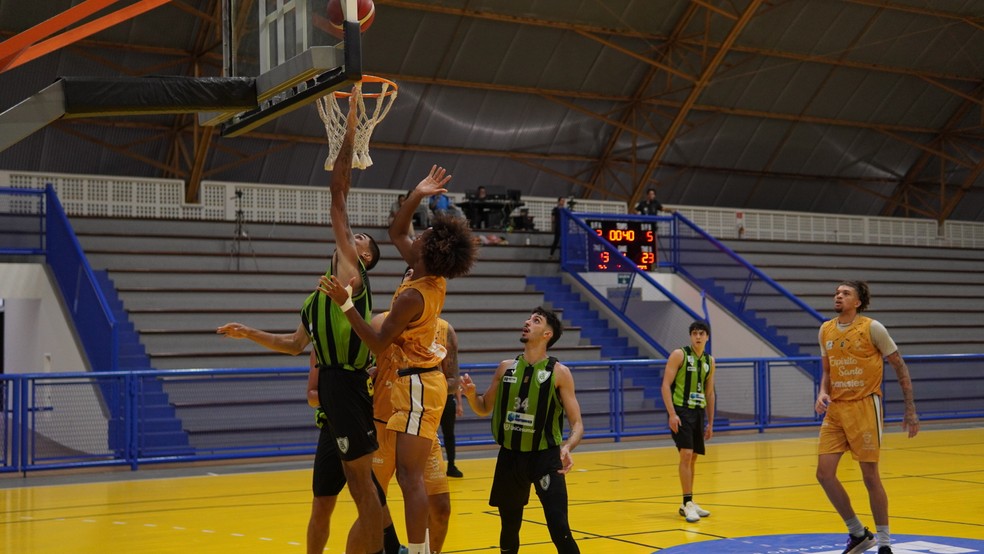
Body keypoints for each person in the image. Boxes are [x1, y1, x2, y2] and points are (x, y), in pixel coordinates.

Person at [216, 89, 385, 554]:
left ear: (364, 256)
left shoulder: (355, 275)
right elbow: (294, 345)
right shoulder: (316, 299)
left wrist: (350, 127)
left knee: (363, 491)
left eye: (359, 238)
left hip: (348, 388)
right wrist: (248, 332)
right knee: (327, 501)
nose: (351, 237)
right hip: (331, 401)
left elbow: (337, 195)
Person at [320, 166, 476, 554]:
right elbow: (396, 232)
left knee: (410, 477)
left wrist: (346, 305)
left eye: (424, 236)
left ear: (429, 250)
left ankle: (419, 550)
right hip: (406, 381)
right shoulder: (424, 268)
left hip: (420, 383)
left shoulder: (415, 294)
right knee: (399, 479)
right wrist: (418, 193)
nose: (418, 235)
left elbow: (375, 341)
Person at [459, 307, 583, 554]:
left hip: (546, 458)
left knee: (560, 528)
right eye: (528, 319)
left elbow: (577, 423)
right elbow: (484, 408)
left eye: (535, 321)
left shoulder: (559, 373)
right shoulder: (506, 368)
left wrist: (567, 447)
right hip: (510, 457)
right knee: (509, 528)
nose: (527, 322)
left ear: (547, 334)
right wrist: (472, 396)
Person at [814, 281, 919, 554]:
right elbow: (827, 371)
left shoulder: (872, 328)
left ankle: (884, 543)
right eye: (837, 292)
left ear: (858, 302)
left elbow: (899, 365)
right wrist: (822, 392)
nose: (838, 296)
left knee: (870, 477)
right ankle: (858, 533)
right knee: (824, 474)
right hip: (836, 409)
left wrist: (910, 409)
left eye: (845, 293)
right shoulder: (825, 329)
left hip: (864, 406)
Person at [347, 304, 455, 554]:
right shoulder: (381, 322)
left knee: (441, 508)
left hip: (421, 425)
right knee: (370, 510)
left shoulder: (445, 330)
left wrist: (425, 380)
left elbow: (452, 379)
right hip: (382, 425)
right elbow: (357, 364)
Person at [660, 320, 716, 523]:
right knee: (686, 454)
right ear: (690, 336)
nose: (698, 337)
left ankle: (688, 503)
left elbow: (709, 393)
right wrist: (672, 414)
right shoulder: (679, 355)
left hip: (698, 412)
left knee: (693, 458)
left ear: (707, 337)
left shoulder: (710, 361)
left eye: (701, 333)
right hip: (681, 411)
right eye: (694, 333)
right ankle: (688, 501)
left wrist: (710, 422)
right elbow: (665, 385)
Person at [438, 318, 464, 478]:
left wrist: (459, 403)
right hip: (432, 397)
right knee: (429, 435)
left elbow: (456, 382)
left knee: (449, 434)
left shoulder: (447, 357)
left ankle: (452, 465)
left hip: (447, 397)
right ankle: (432, 467)